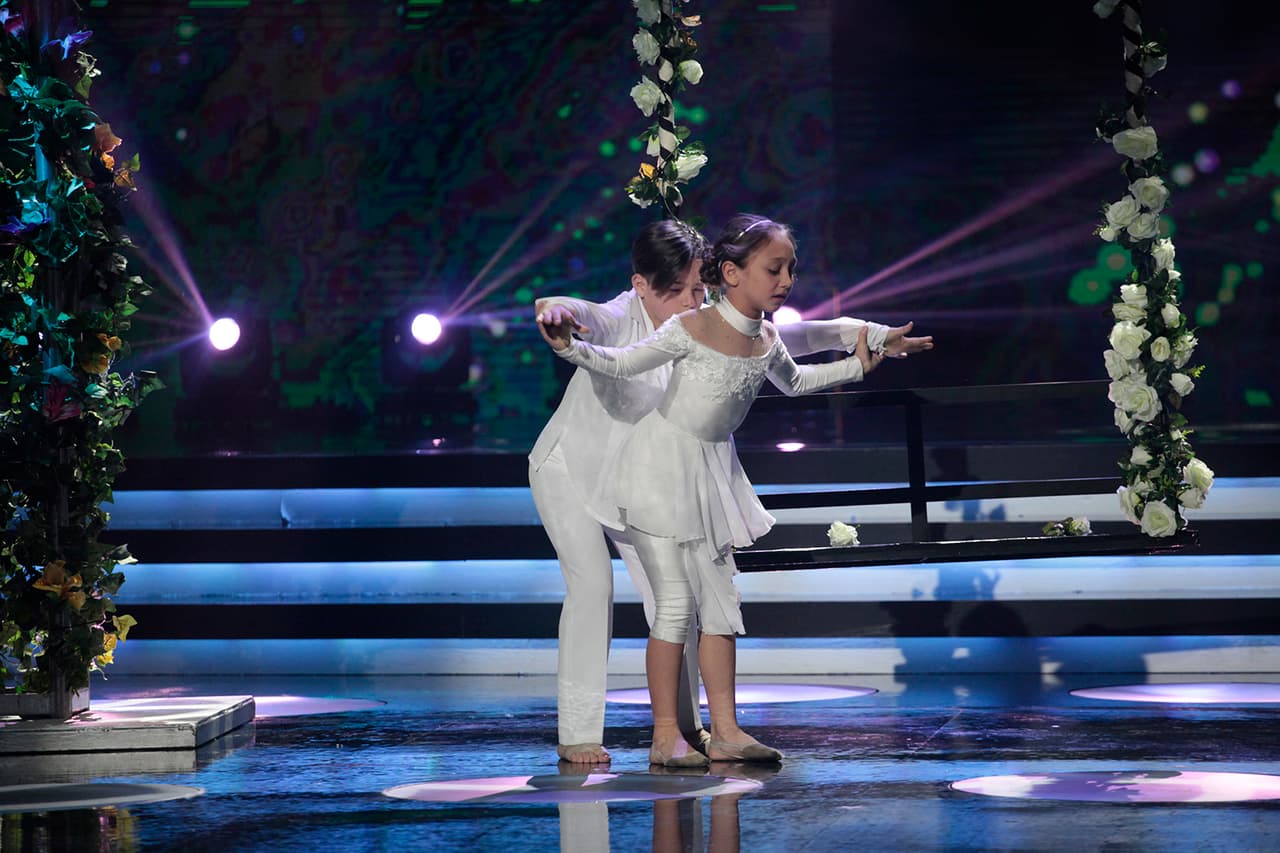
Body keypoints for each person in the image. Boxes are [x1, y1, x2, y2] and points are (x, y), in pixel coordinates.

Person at [530, 218, 931, 765]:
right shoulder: (626, 315)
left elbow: (791, 343)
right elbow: (583, 316)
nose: (692, 299)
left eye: (699, 288)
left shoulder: (711, 321)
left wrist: (873, 338)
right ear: (641, 286)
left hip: (651, 475)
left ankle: (691, 728)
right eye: (678, 291)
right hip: (573, 469)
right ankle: (581, 733)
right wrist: (557, 314)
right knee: (594, 586)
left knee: (681, 600)